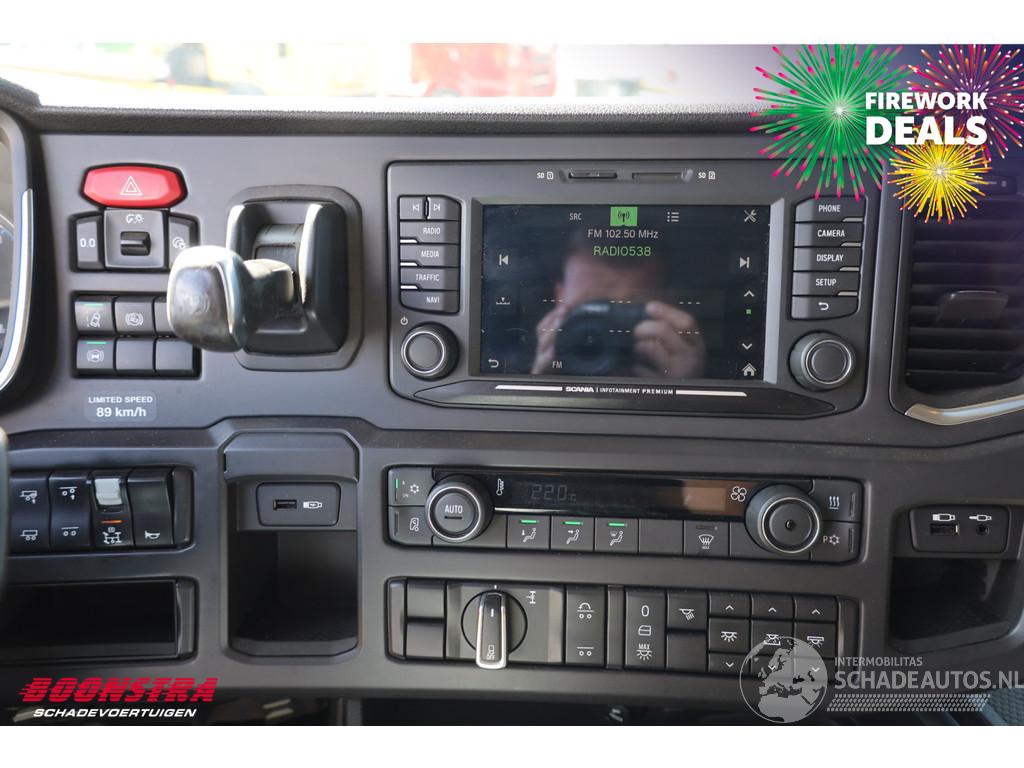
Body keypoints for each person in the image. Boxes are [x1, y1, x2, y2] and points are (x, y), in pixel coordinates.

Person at [531, 234, 706, 378]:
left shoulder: (672, 371)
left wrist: (684, 390)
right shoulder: (524, 369)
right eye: (590, 309)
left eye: (626, 311)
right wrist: (540, 386)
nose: (605, 331)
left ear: (667, 310)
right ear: (559, 298)